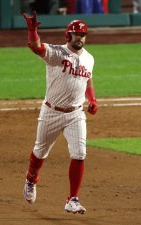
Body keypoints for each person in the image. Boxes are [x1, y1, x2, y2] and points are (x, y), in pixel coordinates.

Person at [22, 11, 98, 214]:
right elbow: (36, 47)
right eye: (76, 34)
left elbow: (88, 79)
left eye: (83, 34)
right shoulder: (56, 53)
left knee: (80, 153)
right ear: (68, 36)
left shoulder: (89, 58)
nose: (80, 38)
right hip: (51, 112)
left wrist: (92, 99)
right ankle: (31, 178)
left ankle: (72, 199)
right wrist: (32, 30)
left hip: (75, 113)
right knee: (40, 152)